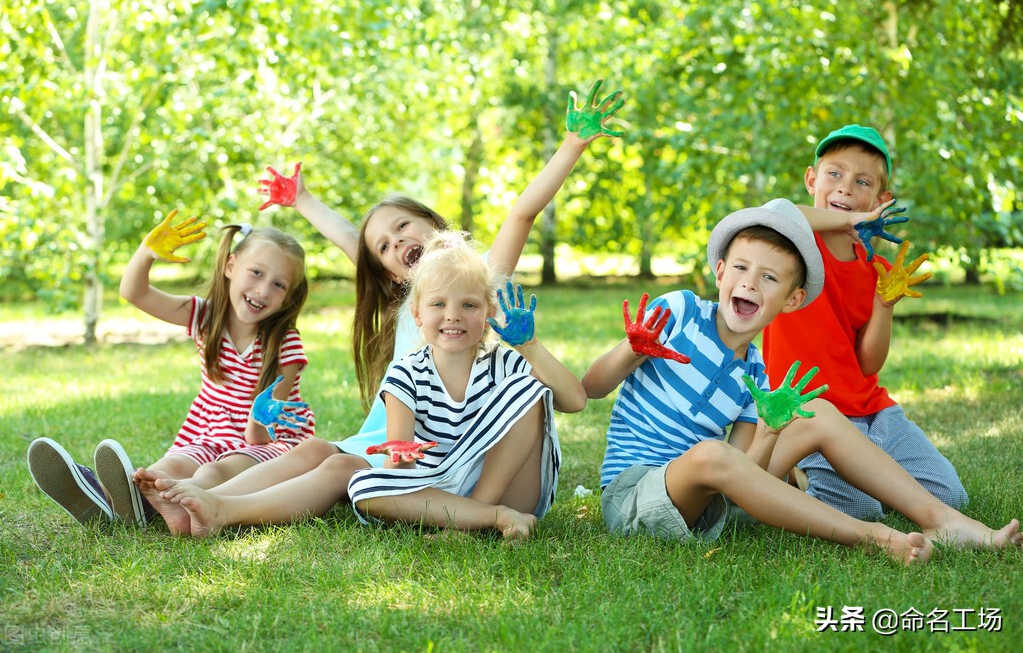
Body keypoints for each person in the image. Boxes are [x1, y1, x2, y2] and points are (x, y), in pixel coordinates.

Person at [133, 78, 626, 535]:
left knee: (336, 466)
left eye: (402, 228)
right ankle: (201, 496)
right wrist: (302, 201)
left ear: (432, 222)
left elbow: (522, 211)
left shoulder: (481, 282)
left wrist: (572, 145)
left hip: (467, 451)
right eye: (385, 248)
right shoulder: (409, 302)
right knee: (316, 451)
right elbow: (353, 238)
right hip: (403, 443)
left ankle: (219, 508)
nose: (394, 244)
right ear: (395, 278)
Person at [583, 198, 1020, 564]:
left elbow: (743, 475)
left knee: (818, 413)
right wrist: (632, 349)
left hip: (705, 499)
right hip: (634, 496)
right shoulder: (677, 310)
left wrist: (771, 433)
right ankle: (874, 536)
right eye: (740, 268)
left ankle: (942, 519)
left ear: (792, 300)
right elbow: (592, 387)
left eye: (769, 277)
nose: (750, 283)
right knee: (709, 454)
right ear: (719, 273)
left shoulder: (756, 373)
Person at [163, 232, 586, 539]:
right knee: (363, 485)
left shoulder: (506, 362)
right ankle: (482, 520)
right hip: (441, 488)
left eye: (469, 305)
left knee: (532, 389)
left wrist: (530, 346)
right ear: (417, 314)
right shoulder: (406, 373)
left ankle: (484, 513)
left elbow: (576, 400)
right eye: (438, 304)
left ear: (489, 311)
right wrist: (400, 457)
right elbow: (397, 466)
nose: (453, 315)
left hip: (512, 490)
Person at [27, 214, 314, 527]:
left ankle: (147, 503)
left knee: (211, 473)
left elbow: (261, 433)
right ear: (230, 266)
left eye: (278, 284)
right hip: (211, 428)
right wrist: (146, 253)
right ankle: (106, 499)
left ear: (287, 297)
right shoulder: (205, 315)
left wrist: (257, 420)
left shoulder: (285, 342)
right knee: (167, 466)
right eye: (256, 273)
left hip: (264, 442)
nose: (262, 290)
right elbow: (135, 293)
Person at [761, 124, 968, 519]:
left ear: (881, 198)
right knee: (861, 510)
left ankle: (868, 473)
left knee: (951, 497)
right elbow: (772, 213)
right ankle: (798, 472)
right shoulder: (793, 249)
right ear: (811, 180)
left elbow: (869, 363)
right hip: (810, 413)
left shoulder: (878, 271)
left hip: (872, 411)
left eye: (861, 182)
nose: (845, 188)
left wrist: (884, 304)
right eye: (834, 174)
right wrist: (844, 222)